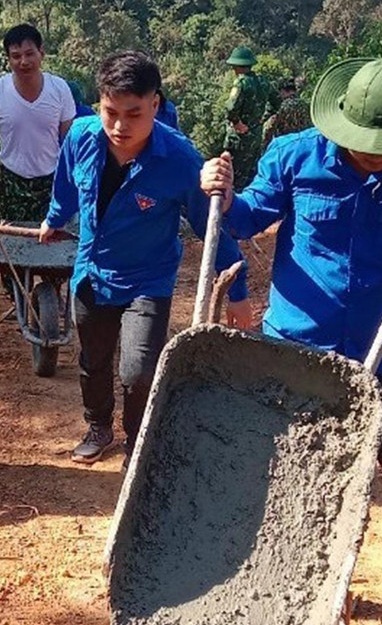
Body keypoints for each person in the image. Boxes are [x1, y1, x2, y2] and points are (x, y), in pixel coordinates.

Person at [201, 58, 382, 619]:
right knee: (280, 473)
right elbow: (242, 220)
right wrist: (217, 192)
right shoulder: (294, 155)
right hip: (293, 350)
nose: (376, 155)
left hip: (379, 352)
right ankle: (280, 575)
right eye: (366, 143)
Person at [41, 50, 251, 464]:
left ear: (156, 104)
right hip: (91, 271)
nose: (120, 126)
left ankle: (138, 441)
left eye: (134, 114)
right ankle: (98, 425)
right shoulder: (81, 137)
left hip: (147, 280)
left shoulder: (179, 160)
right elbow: (65, 183)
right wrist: (54, 218)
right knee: (93, 359)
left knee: (138, 372)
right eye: (110, 112)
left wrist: (238, 289)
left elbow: (212, 225)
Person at [0, 24, 76, 224]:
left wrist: (73, 177)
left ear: (41, 53)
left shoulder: (59, 89)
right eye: (16, 56)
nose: (24, 61)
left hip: (51, 181)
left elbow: (69, 139)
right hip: (12, 181)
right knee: (12, 242)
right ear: (9, 59)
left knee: (52, 242)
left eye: (29, 54)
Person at [222, 45, 278, 186]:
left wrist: (237, 124)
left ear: (238, 66)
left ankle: (233, 205)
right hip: (256, 134)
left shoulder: (241, 83)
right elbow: (276, 102)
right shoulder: (264, 82)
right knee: (252, 174)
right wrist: (262, 119)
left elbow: (230, 108)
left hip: (239, 138)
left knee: (233, 176)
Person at [262, 76, 312, 143]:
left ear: (282, 91)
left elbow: (272, 126)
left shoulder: (284, 106)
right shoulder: (304, 104)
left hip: (288, 143)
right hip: (305, 141)